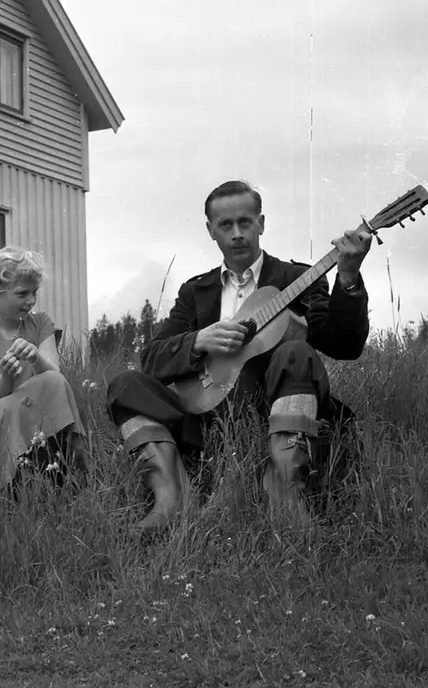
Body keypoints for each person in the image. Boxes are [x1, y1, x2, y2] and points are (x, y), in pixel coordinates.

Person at [106, 180, 372, 532]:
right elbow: (153, 359)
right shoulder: (196, 291)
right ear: (210, 230)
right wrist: (199, 340)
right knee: (125, 385)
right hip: (202, 419)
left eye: (245, 223)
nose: (237, 234)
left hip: (270, 410)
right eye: (225, 225)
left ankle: (285, 498)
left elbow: (345, 346)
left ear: (261, 223)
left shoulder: (298, 278)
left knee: (295, 351)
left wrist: (349, 276)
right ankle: (170, 500)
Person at [0, 246, 88, 493]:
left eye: (34, 292)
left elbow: (55, 377)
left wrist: (35, 357)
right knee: (22, 402)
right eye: (22, 293)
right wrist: (6, 377)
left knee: (54, 384)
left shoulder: (40, 323)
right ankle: (20, 479)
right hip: (0, 414)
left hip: (38, 408)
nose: (31, 300)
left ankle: (57, 475)